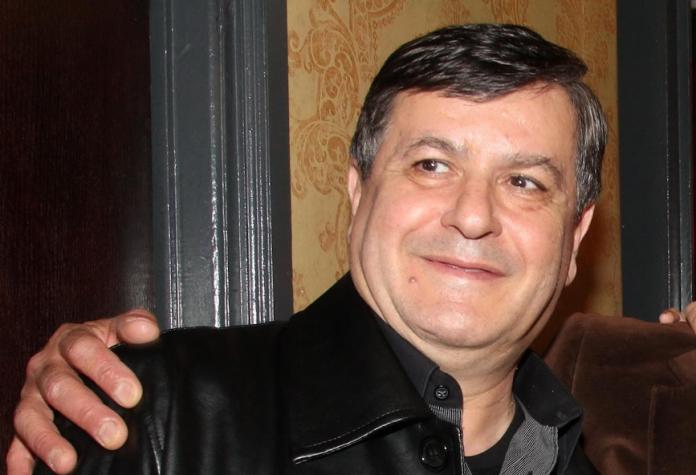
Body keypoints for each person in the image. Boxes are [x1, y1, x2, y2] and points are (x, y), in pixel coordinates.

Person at [6, 23, 695, 475]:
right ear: (358, 190)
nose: (473, 216)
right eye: (432, 164)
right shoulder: (154, 414)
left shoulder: (601, 444)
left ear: (575, 238)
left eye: (524, 182)